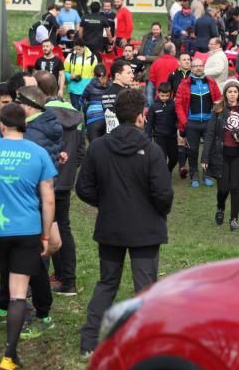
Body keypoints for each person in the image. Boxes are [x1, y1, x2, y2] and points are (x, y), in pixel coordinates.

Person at [76, 89, 173, 355]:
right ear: (141, 116)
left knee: (107, 284)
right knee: (145, 289)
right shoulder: (152, 151)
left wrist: (107, 204)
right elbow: (163, 194)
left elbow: (84, 188)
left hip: (115, 227)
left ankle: (90, 343)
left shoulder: (101, 147)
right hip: (143, 229)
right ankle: (145, 346)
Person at [0, 103, 56, 370]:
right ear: (25, 124)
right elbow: (48, 200)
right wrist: (46, 234)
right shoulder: (38, 153)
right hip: (27, 230)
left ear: (1, 124)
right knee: (18, 294)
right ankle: (8, 356)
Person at [35, 71, 85, 296]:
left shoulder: (40, 114)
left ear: (40, 91)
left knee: (43, 229)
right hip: (66, 180)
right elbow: (82, 149)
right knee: (63, 226)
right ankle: (67, 281)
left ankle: (40, 281)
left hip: (45, 180)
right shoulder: (76, 113)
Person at [201, 79, 239, 231]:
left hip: (238, 154)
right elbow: (210, 134)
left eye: (235, 92)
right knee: (223, 189)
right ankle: (220, 208)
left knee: (235, 188)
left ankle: (234, 220)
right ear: (225, 94)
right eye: (229, 92)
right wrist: (205, 157)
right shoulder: (218, 110)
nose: (232, 95)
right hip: (220, 155)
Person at [175, 57, 221, 187]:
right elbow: (178, 105)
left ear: (203, 67)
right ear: (191, 68)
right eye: (195, 66)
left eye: (200, 65)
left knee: (209, 149)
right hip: (192, 124)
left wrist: (216, 117)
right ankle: (194, 174)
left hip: (209, 123)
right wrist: (185, 122)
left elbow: (218, 100)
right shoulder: (184, 84)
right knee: (192, 150)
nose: (198, 68)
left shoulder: (211, 82)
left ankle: (207, 174)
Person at [146, 82, 178, 172]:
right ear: (158, 93)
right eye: (162, 95)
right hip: (159, 137)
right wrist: (148, 136)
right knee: (161, 159)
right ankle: (164, 175)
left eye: (167, 96)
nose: (164, 98)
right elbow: (149, 123)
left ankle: (168, 170)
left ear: (170, 94)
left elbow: (178, 119)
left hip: (172, 136)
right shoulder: (153, 106)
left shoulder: (173, 105)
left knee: (174, 158)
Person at [101, 59, 135, 134]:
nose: (132, 76)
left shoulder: (105, 93)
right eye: (128, 73)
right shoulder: (127, 93)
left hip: (110, 135)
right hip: (125, 135)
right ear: (117, 75)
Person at [63, 39, 97, 110]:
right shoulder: (70, 56)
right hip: (74, 89)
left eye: (79, 49)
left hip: (87, 89)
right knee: (75, 111)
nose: (77, 51)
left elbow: (95, 75)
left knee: (87, 111)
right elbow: (64, 71)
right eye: (76, 49)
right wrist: (70, 76)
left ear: (84, 47)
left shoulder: (93, 58)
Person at [81, 64, 110, 142]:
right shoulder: (110, 85)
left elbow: (81, 100)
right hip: (108, 118)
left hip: (93, 119)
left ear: (94, 74)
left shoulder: (90, 86)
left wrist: (87, 106)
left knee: (94, 147)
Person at [146, 42, 178, 106]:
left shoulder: (156, 62)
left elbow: (152, 81)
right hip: (173, 98)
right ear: (172, 51)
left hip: (159, 97)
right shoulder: (177, 63)